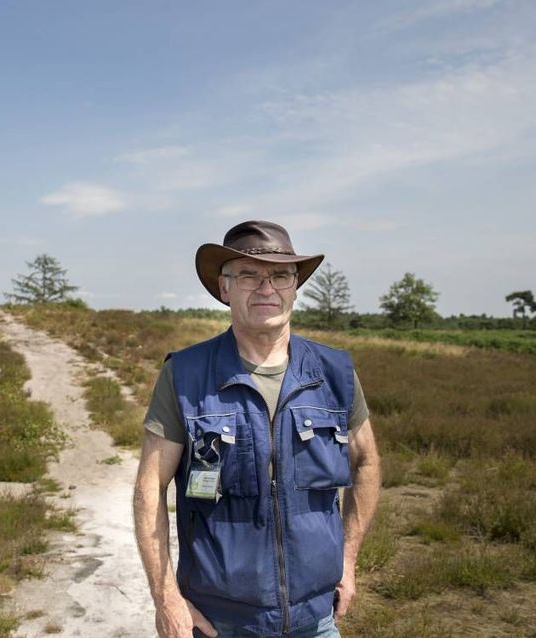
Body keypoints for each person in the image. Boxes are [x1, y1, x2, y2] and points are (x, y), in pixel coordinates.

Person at [133, 220, 381, 638]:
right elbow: (148, 487)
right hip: (219, 623)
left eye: (280, 275)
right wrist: (167, 598)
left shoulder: (334, 373)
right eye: (249, 275)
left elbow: (367, 462)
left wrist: (349, 560)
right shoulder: (187, 375)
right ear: (224, 288)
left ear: (295, 287)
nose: (266, 288)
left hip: (316, 620)